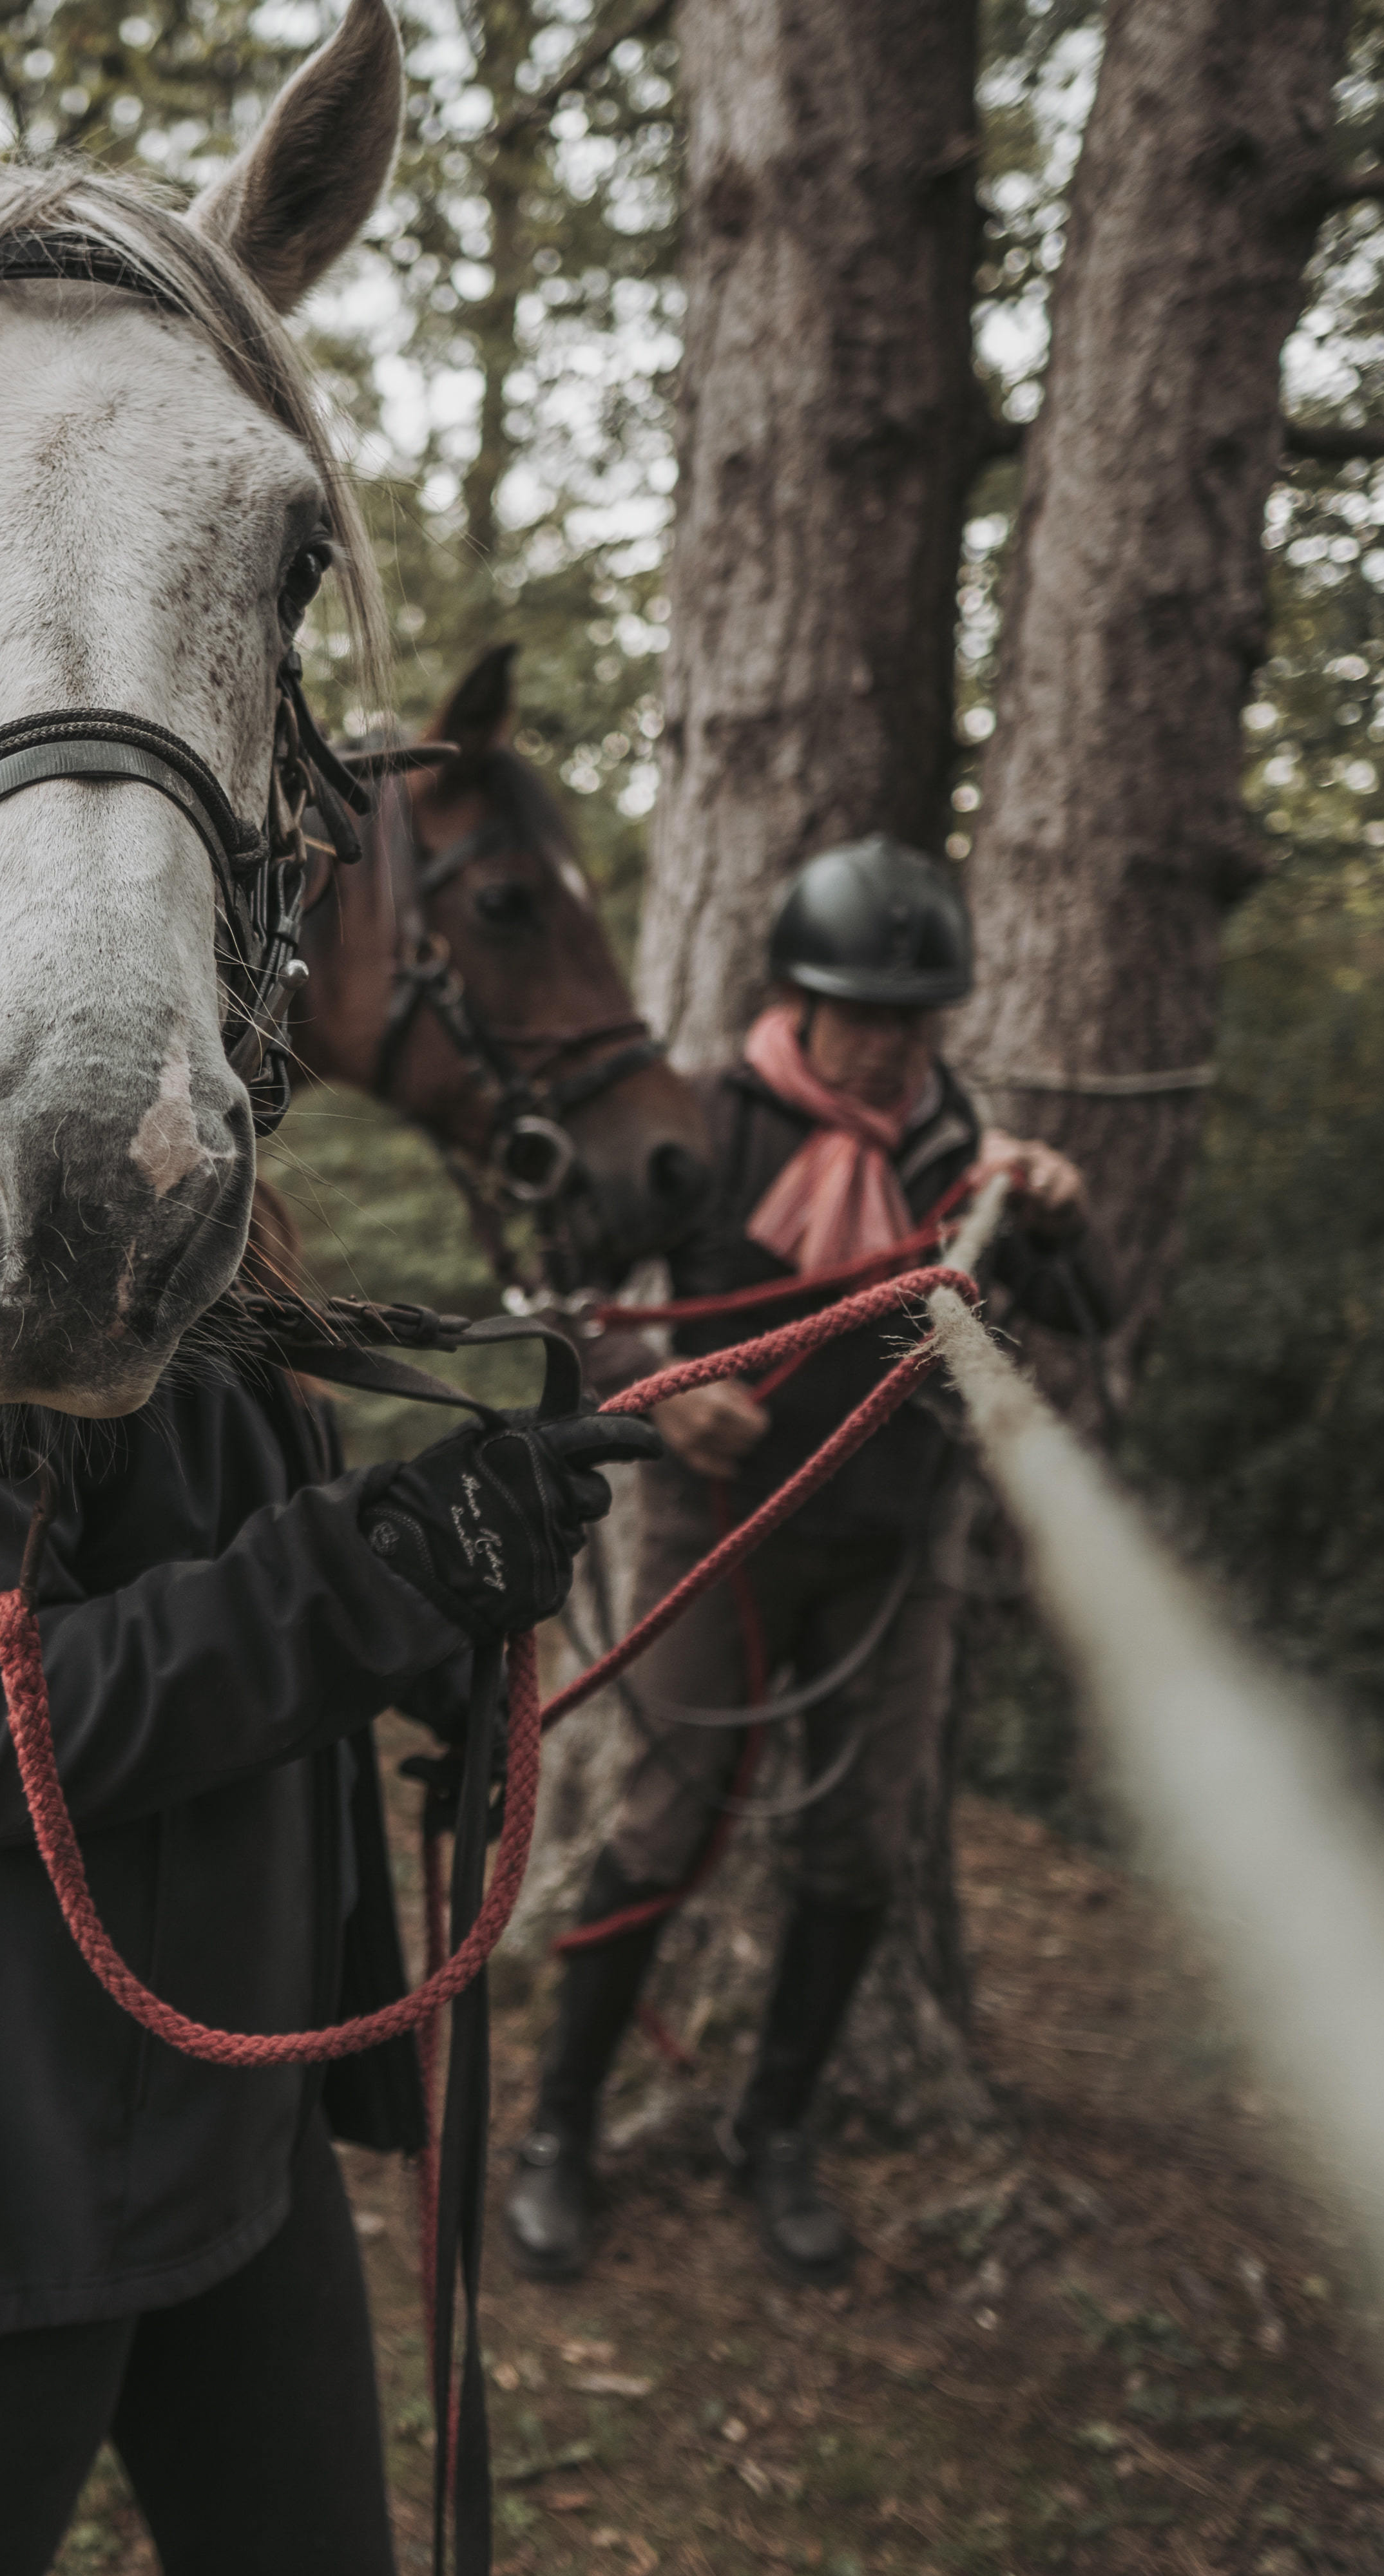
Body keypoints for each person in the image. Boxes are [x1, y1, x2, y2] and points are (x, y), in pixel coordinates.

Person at [0, 1238, 660, 2575]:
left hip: (232, 2118)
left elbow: (217, 1552)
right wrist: (375, 1567)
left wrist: (439, 1625)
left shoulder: (180, 1236)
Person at [500, 833, 1110, 2291]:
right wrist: (662, 1373)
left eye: (915, 1019)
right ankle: (559, 2129)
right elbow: (559, 1298)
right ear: (801, 998)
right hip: (719, 1532)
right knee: (662, 1826)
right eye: (863, 1015)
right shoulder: (704, 1122)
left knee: (862, 1845)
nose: (892, 1046)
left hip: (895, 1552)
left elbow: (1085, 1310)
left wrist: (1063, 1218)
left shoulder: (973, 1163)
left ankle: (776, 2130)